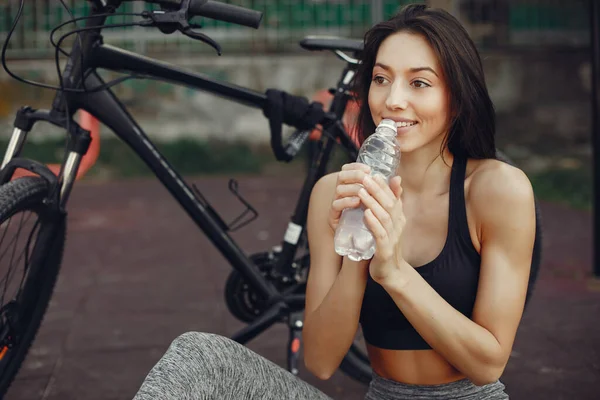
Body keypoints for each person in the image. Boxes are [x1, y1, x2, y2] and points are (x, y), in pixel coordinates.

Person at [132, 4, 536, 400]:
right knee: (198, 356)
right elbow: (322, 360)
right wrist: (358, 246)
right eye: (381, 78)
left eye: (419, 83)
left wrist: (394, 272)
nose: (393, 100)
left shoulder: (497, 191)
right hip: (381, 393)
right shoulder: (335, 193)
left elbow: (487, 366)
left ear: (458, 97)